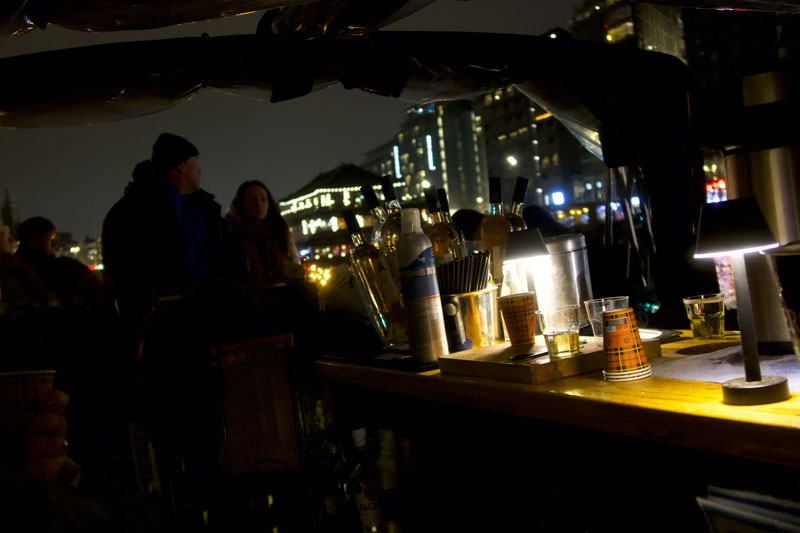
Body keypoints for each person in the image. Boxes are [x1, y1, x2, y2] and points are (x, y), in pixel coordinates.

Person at [102, 133, 241, 331]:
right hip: (164, 327)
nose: (200, 170)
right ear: (181, 166)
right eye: (195, 161)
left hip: (206, 318)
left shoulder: (204, 210)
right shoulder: (130, 214)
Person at [225, 180, 301, 285]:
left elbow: (291, 266)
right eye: (252, 200)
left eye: (263, 199)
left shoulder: (279, 231)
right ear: (241, 204)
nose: (258, 204)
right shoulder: (230, 233)